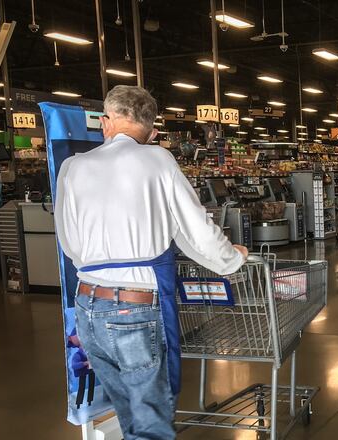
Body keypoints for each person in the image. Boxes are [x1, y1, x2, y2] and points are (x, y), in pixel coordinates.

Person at [54, 85, 248, 439]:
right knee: (151, 423)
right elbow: (194, 228)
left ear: (107, 121)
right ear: (152, 130)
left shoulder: (72, 167)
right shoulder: (157, 159)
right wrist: (231, 259)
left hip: (87, 307)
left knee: (128, 413)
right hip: (134, 309)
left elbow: (68, 241)